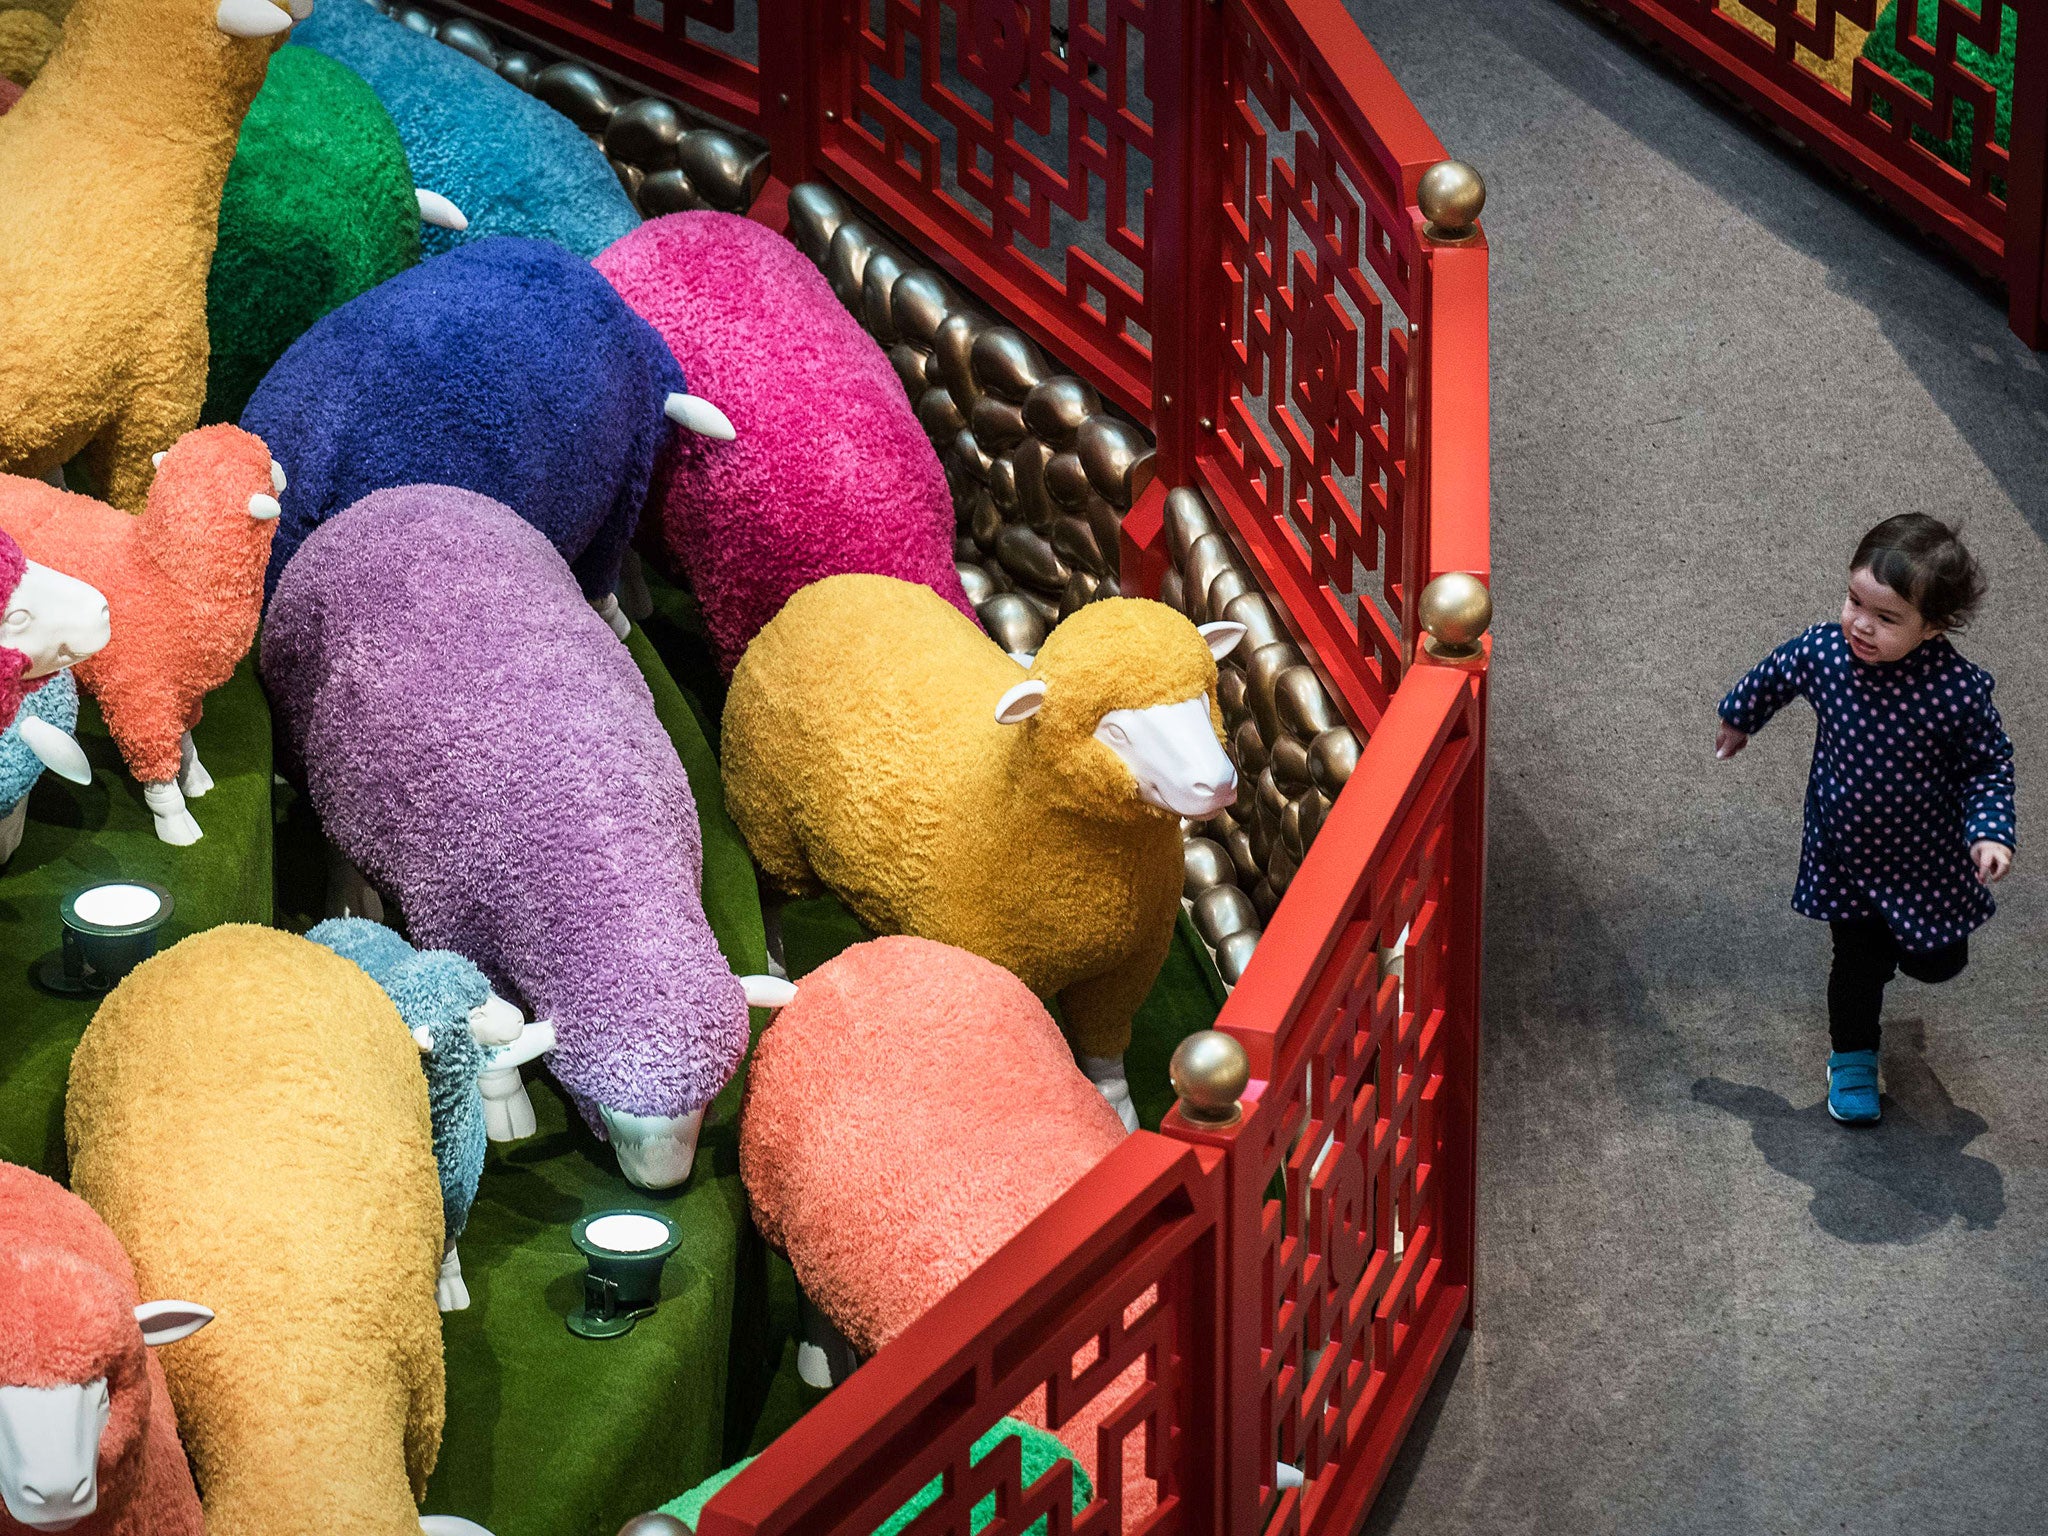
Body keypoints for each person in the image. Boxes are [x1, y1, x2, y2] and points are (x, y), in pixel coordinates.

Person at [1716, 514, 2015, 1125]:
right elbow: (1779, 670)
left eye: (1885, 618)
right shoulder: (1827, 651)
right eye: (1855, 601)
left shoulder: (1955, 693)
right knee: (1858, 967)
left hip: (1925, 862)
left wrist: (1988, 831)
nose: (1860, 623)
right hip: (1845, 856)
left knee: (1938, 962)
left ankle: (1913, 950)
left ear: (1932, 627)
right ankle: (1852, 1058)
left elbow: (1988, 766)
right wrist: (1740, 717)